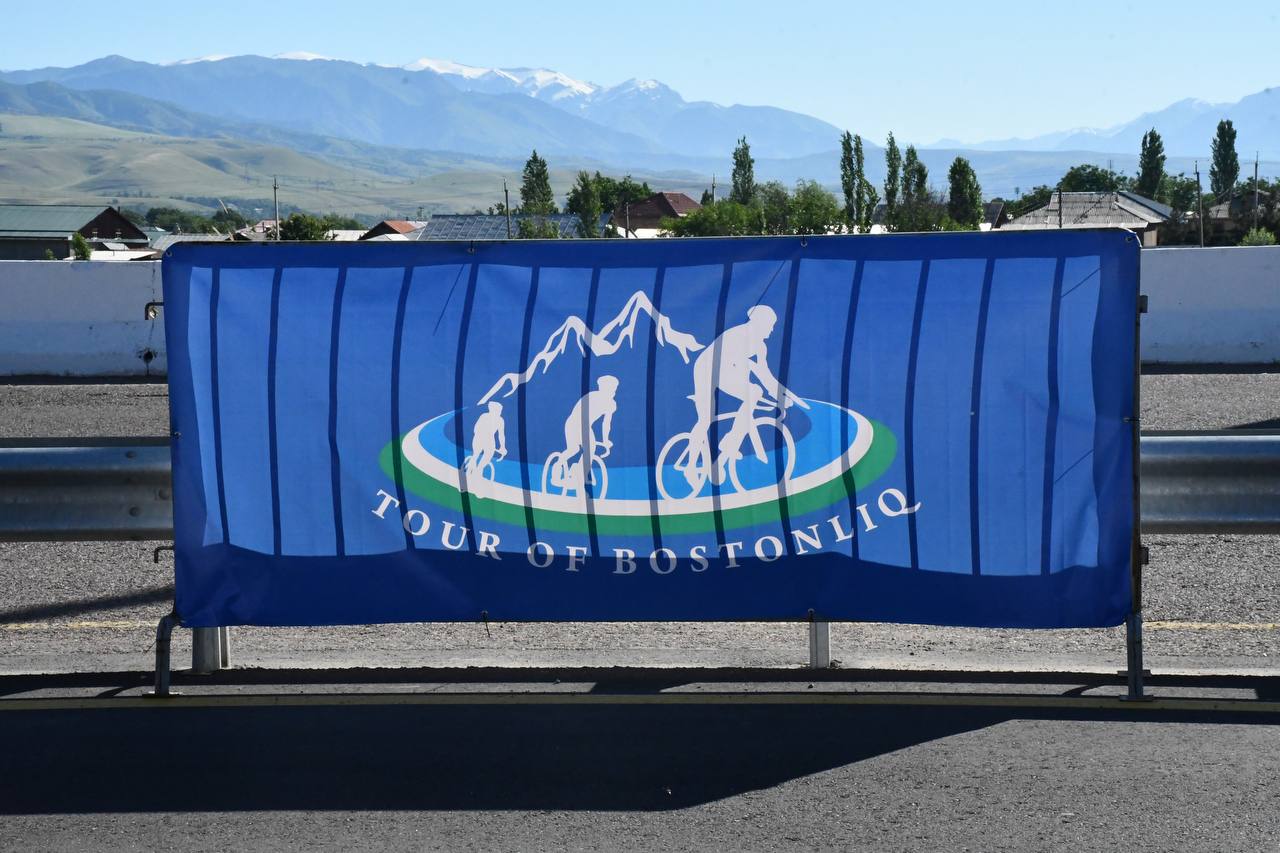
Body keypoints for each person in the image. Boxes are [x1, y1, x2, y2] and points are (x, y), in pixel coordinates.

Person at [684, 304, 808, 486]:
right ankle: (691, 466)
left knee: (754, 393)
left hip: (726, 369)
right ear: (760, 322)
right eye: (770, 325)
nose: (772, 330)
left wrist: (781, 398)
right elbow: (732, 367)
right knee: (706, 419)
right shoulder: (738, 335)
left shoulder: (760, 347)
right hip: (706, 368)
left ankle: (730, 442)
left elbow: (766, 377)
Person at [550, 375, 619, 493]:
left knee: (581, 449)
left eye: (613, 388)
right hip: (574, 422)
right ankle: (558, 468)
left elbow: (606, 424)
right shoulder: (592, 397)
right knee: (577, 449)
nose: (612, 391)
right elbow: (579, 414)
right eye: (609, 388)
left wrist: (606, 440)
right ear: (601, 388)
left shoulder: (611, 404)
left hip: (585, 426)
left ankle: (577, 471)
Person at [466, 401, 506, 480]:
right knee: (476, 454)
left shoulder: (500, 420)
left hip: (490, 439)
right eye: (498, 410)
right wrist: (482, 435)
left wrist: (502, 447)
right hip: (479, 437)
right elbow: (475, 428)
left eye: (500, 410)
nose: (500, 412)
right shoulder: (484, 416)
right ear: (492, 410)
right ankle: (469, 469)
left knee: (488, 456)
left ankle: (478, 471)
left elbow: (501, 435)